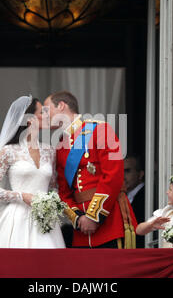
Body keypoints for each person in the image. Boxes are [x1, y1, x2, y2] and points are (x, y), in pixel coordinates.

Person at [44, 90, 137, 248]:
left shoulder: (100, 130)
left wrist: (93, 216)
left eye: (47, 110)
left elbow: (113, 177)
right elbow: (64, 192)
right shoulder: (61, 145)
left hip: (109, 223)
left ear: (61, 106)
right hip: (81, 230)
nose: (44, 116)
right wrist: (78, 217)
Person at [0, 95, 65, 248]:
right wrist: (21, 196)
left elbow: (52, 187)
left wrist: (52, 203)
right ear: (29, 120)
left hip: (45, 220)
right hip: (17, 218)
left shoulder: (50, 151)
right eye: (42, 113)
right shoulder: (9, 151)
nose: (47, 116)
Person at [124, 154, 145, 248]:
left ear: (140, 174)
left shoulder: (147, 196)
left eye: (127, 171)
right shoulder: (123, 195)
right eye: (120, 171)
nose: (123, 176)